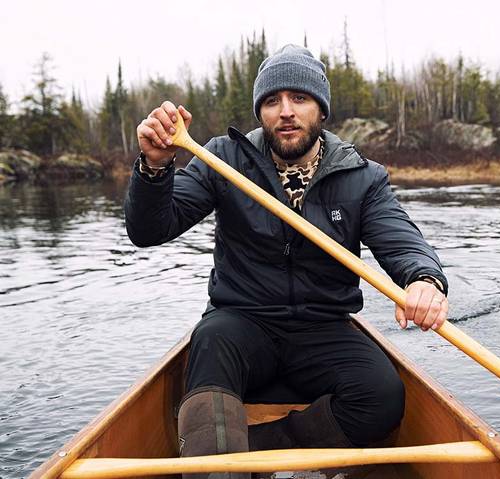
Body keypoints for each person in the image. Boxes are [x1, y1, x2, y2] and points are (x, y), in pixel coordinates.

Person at [125, 45, 449, 479]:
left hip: (323, 328)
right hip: (243, 322)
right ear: (261, 112)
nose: (286, 112)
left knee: (383, 394)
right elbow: (149, 230)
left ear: (321, 109)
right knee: (211, 340)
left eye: (299, 99)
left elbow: (400, 239)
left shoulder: (362, 176)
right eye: (273, 101)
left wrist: (424, 279)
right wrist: (154, 166)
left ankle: (261, 447)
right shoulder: (222, 159)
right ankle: (218, 469)